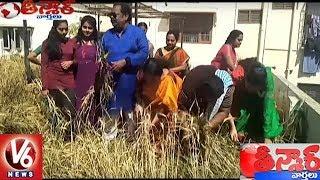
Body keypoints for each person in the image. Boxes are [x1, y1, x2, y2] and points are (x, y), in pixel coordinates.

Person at [101, 3, 149, 137]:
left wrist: (126, 61)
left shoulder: (137, 33)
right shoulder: (107, 35)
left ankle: (130, 139)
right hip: (111, 82)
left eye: (114, 15)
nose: (111, 17)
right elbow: (100, 54)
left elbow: (144, 53)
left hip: (130, 80)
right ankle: (109, 141)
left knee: (129, 110)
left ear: (126, 16)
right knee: (112, 108)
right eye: (110, 15)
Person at [178, 65, 237, 141]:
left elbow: (224, 111)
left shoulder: (227, 87)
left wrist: (207, 127)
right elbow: (182, 107)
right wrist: (186, 128)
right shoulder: (191, 83)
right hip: (194, 96)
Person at [230, 57, 283, 143]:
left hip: (260, 101)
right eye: (249, 86)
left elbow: (268, 109)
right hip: (246, 95)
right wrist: (239, 129)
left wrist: (267, 136)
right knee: (246, 108)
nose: (249, 88)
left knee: (265, 112)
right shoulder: (239, 76)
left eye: (252, 88)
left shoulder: (267, 81)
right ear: (246, 80)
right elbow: (242, 108)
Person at [135, 58, 183, 153]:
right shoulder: (143, 77)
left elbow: (166, 108)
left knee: (161, 137)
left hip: (166, 113)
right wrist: (139, 104)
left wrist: (150, 126)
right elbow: (140, 93)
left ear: (159, 76)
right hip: (152, 109)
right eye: (147, 77)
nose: (149, 81)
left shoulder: (167, 81)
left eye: (152, 79)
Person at [41, 20, 77, 140]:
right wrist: (45, 87)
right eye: (61, 29)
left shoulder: (71, 42)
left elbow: (78, 59)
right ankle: (57, 138)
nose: (64, 32)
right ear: (54, 28)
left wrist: (72, 62)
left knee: (70, 112)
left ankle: (70, 138)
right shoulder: (47, 44)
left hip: (68, 81)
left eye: (66, 29)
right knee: (56, 113)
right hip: (53, 82)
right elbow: (44, 66)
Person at [73, 15, 101, 126]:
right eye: (85, 27)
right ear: (81, 27)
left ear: (94, 29)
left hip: (91, 82)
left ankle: (89, 133)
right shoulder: (75, 43)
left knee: (90, 108)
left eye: (90, 28)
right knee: (78, 107)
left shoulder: (97, 44)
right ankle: (77, 132)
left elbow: (99, 62)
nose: (87, 30)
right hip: (76, 80)